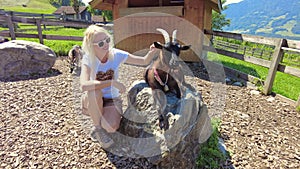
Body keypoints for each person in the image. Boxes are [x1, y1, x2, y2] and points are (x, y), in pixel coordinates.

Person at [80, 25, 158, 148]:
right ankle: (98, 129)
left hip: (112, 99)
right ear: (91, 46)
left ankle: (96, 114)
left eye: (107, 40)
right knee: (94, 92)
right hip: (93, 97)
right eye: (100, 43)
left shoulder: (116, 54)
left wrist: (151, 53)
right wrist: (111, 83)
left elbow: (143, 61)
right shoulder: (88, 59)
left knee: (111, 127)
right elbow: (84, 85)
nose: (106, 44)